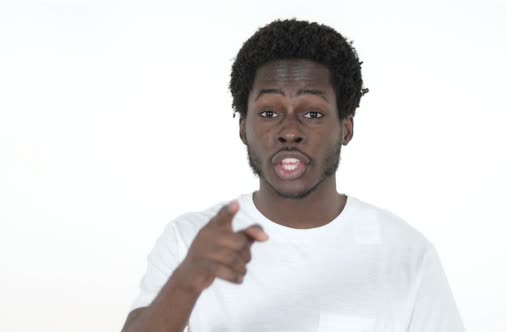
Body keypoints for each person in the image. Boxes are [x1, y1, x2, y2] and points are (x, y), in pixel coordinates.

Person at [121, 19, 465, 332]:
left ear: (345, 128)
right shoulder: (191, 240)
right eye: (269, 112)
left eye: (313, 113)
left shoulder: (406, 253)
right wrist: (188, 280)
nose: (289, 132)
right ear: (244, 128)